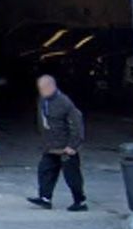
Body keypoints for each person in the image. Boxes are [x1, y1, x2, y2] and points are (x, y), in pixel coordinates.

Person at [27, 75, 88, 211]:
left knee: (72, 176)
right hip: (51, 146)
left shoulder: (65, 103)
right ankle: (45, 198)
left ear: (51, 87)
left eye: (43, 88)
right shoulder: (43, 100)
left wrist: (73, 145)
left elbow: (77, 125)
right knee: (45, 171)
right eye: (40, 88)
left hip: (65, 147)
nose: (41, 90)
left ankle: (80, 202)